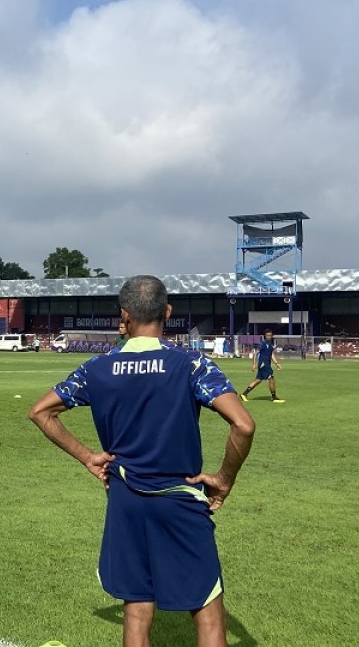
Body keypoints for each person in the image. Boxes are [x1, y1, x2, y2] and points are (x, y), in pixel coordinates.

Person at [27, 274, 256, 647]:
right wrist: (224, 479)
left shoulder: (96, 369)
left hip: (125, 500)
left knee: (136, 608)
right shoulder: (190, 365)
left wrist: (88, 457)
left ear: (124, 315)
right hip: (180, 498)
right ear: (167, 312)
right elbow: (243, 425)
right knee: (208, 611)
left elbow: (40, 412)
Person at [240, 329, 285, 403]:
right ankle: (274, 398)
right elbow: (255, 353)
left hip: (266, 364)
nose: (269, 337)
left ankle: (244, 394)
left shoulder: (270, 344)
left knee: (258, 380)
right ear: (265, 336)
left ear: (272, 336)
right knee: (271, 378)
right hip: (263, 364)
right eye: (267, 335)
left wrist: (277, 364)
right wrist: (254, 365)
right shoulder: (262, 343)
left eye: (270, 335)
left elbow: (271, 355)